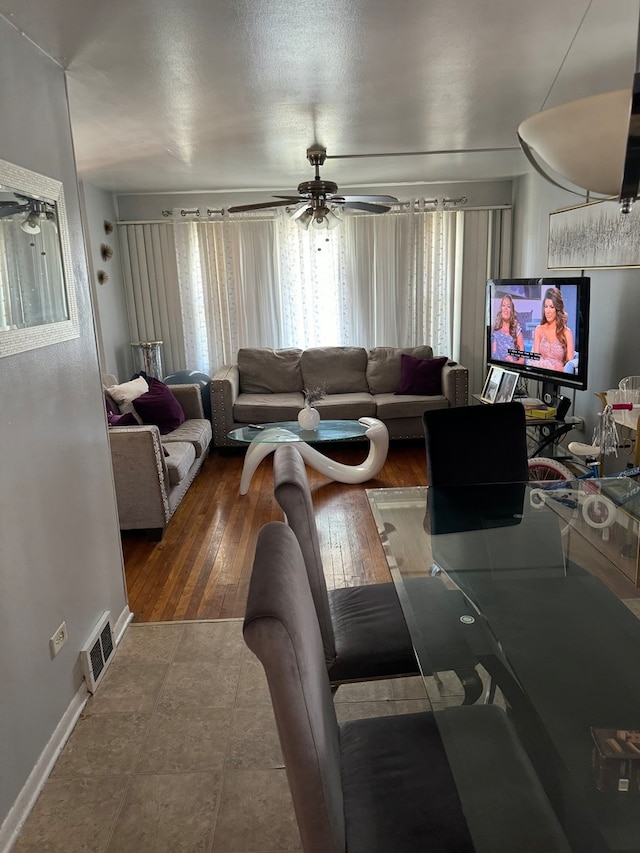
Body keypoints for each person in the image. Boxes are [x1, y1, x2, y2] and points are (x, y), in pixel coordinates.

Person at [532, 286, 574, 372]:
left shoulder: (567, 333)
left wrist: (559, 369)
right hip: (541, 374)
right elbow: (535, 360)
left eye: (551, 307)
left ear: (557, 309)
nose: (547, 311)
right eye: (546, 306)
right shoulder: (539, 330)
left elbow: (570, 365)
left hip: (559, 376)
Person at [491, 295, 524, 363]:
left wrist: (512, 363)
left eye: (508, 306)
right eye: (503, 305)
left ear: (512, 311)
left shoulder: (517, 330)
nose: (505, 308)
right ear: (501, 309)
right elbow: (493, 355)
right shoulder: (496, 330)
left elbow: (522, 360)